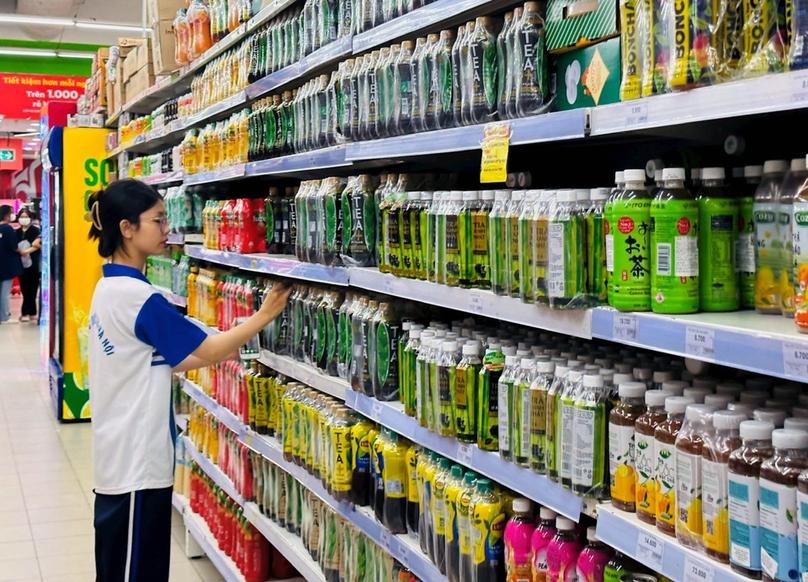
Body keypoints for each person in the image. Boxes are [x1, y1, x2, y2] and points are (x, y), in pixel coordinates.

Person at [86, 180, 292, 582]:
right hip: (137, 462)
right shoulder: (138, 298)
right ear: (127, 228)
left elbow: (160, 358)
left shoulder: (107, 288)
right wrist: (264, 315)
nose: (167, 228)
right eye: (158, 220)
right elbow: (210, 351)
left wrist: (233, 346)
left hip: (119, 456)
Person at [15, 208, 41, 322]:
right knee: (25, 289)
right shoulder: (17, 232)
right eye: (22, 216)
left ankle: (25, 312)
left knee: (32, 288)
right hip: (21, 265)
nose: (24, 219)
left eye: (26, 217)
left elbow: (37, 245)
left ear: (30, 218)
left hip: (33, 264)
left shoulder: (36, 231)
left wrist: (26, 252)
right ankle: (32, 312)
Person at [0, 205, 22, 324]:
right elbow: (14, 247)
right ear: (7, 214)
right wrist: (22, 252)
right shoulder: (8, 229)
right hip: (7, 265)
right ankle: (4, 317)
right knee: (4, 292)